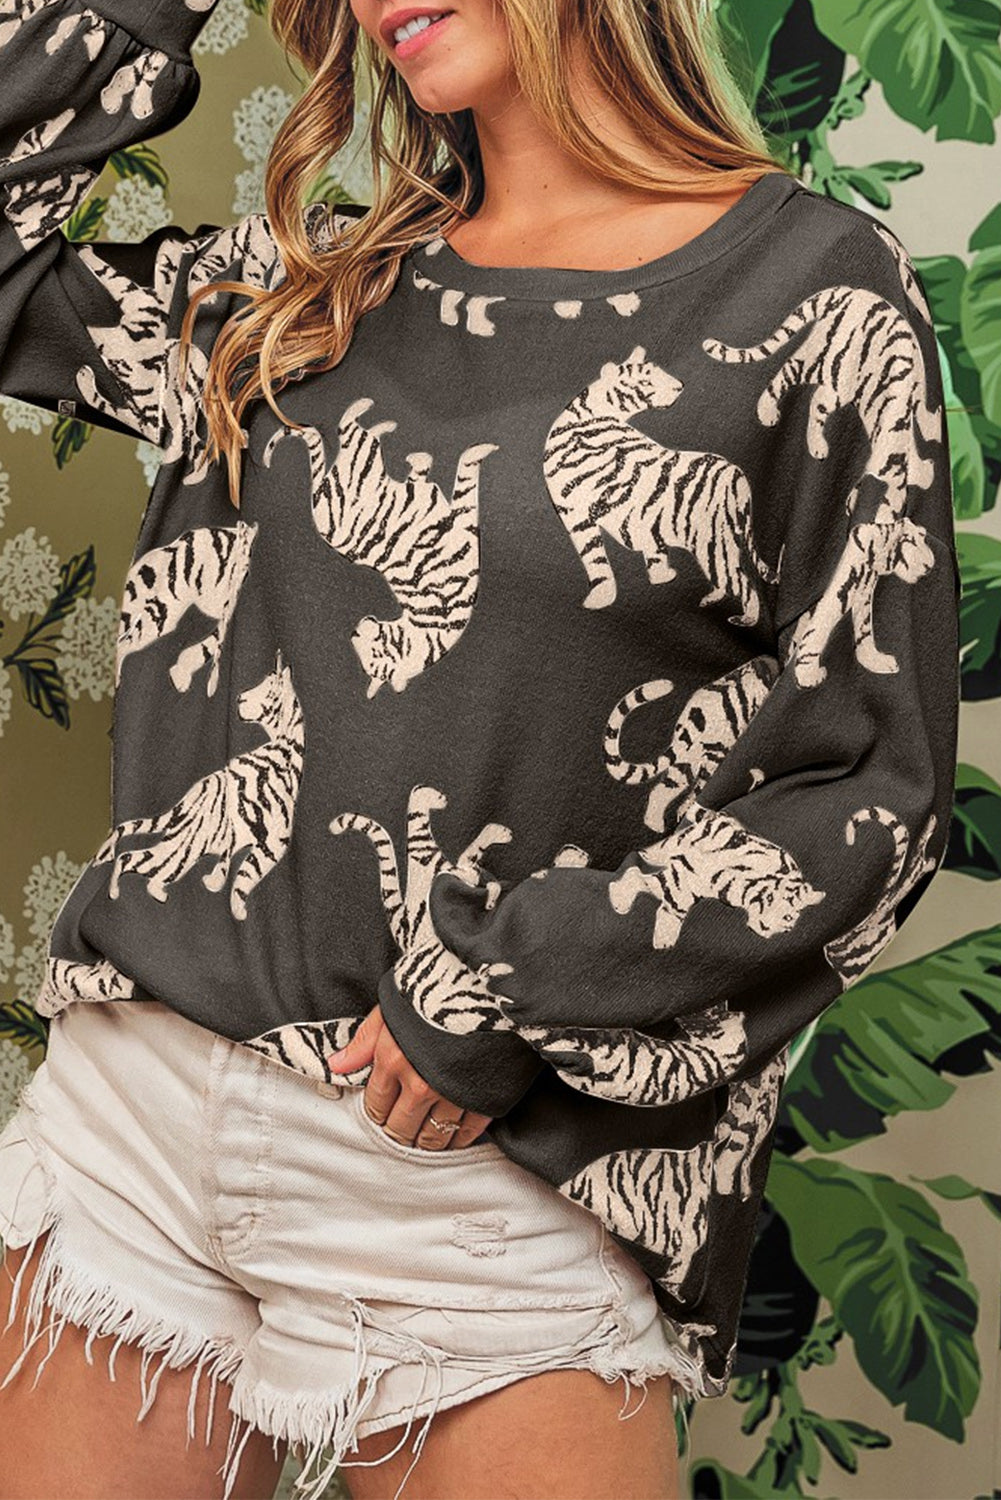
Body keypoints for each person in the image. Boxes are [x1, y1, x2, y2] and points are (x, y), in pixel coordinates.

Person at [0, 0, 961, 1497]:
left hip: (481, 1173)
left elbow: (868, 785)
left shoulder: (815, 292)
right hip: (134, 1123)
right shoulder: (309, 280)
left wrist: (503, 992)